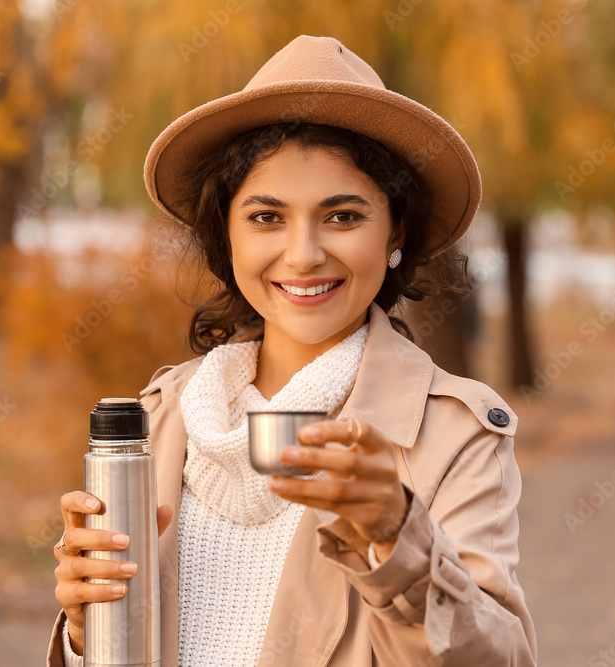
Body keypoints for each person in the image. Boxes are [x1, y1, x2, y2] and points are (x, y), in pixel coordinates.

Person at [48, 35, 536, 666]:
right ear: (225, 237)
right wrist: (84, 632)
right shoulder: (162, 415)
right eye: (266, 217)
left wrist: (398, 537)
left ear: (397, 232)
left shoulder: (454, 433)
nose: (303, 254)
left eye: (342, 217)